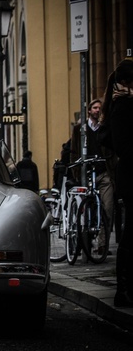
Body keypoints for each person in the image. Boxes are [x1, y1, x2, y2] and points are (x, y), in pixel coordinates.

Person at [102, 59, 133, 307]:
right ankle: (123, 288)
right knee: (131, 235)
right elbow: (123, 145)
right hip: (132, 175)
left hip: (129, 175)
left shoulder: (122, 104)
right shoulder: (122, 106)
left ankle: (125, 288)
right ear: (126, 83)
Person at [70, 98, 116, 256]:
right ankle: (86, 243)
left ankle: (103, 245)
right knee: (85, 209)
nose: (97, 110)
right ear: (89, 110)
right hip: (86, 174)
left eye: (100, 108)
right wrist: (76, 171)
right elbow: (74, 151)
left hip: (104, 173)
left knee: (108, 208)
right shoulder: (79, 129)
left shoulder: (105, 128)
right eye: (95, 108)